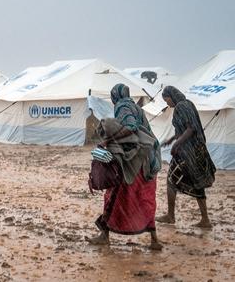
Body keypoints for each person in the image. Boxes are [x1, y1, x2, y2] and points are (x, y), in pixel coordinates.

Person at [88, 84, 163, 250]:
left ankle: (104, 236)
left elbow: (130, 127)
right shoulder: (136, 107)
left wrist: (108, 140)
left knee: (113, 196)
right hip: (148, 160)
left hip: (134, 162)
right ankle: (154, 240)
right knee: (145, 198)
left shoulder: (123, 106)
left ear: (115, 96)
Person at [156, 86, 216, 228]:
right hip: (195, 151)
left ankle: (170, 216)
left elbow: (190, 129)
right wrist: (171, 140)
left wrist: (176, 144)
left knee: (171, 180)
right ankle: (205, 219)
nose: (167, 103)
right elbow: (183, 130)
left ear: (172, 96)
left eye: (167, 100)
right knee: (197, 183)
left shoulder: (180, 107)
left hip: (186, 153)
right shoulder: (188, 104)